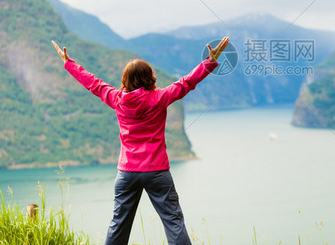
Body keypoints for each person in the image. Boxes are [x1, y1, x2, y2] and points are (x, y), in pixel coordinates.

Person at [52, 37, 230, 245]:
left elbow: (93, 83)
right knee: (173, 221)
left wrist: (69, 63)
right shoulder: (160, 97)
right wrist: (209, 62)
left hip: (127, 171)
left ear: (126, 80)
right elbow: (186, 83)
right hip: (157, 171)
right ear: (150, 78)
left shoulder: (116, 99)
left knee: (118, 225)